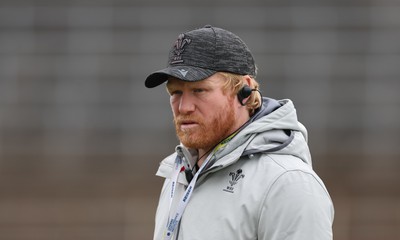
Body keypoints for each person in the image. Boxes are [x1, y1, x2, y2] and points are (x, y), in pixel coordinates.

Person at [145, 25, 334, 240]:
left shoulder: (287, 182)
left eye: (199, 90)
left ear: (243, 90)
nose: (184, 107)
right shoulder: (177, 174)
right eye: (176, 92)